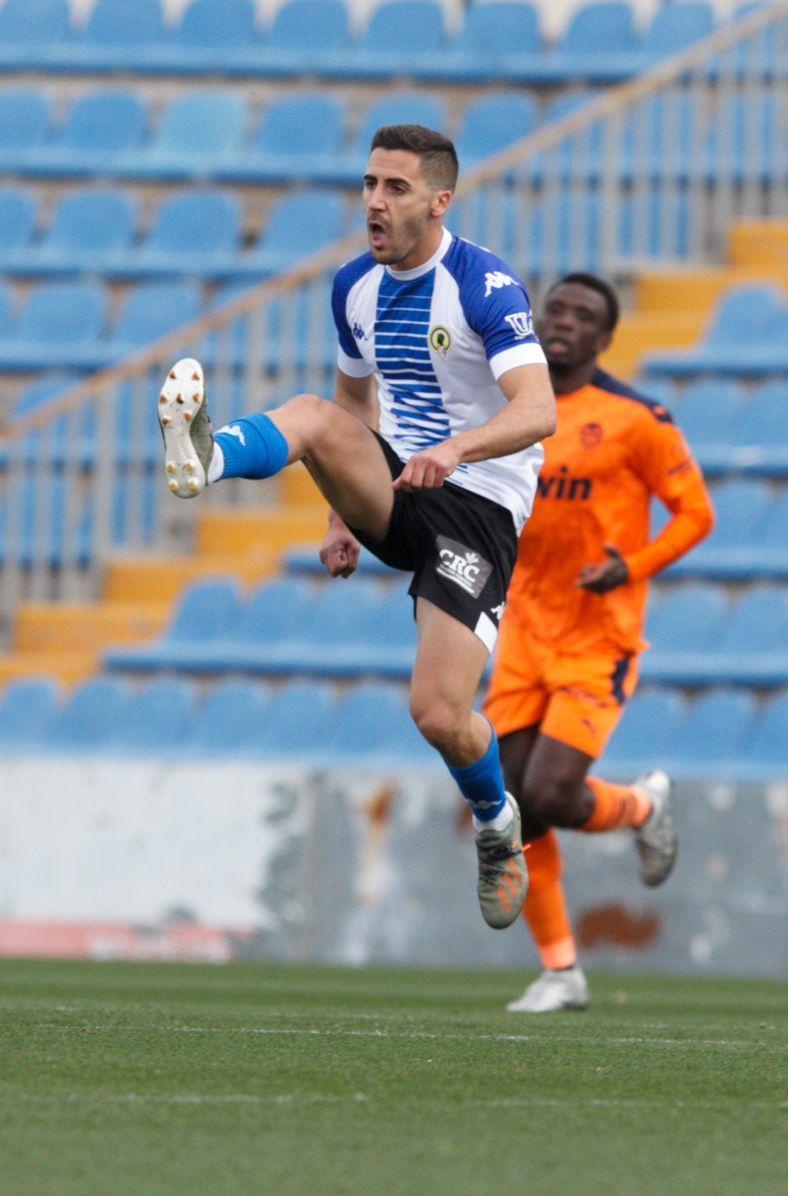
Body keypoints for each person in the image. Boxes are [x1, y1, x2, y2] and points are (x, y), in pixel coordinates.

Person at [157, 124, 557, 929]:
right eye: (370, 183)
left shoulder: (484, 285)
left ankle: (495, 822)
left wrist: (456, 447)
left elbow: (539, 410)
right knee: (309, 411)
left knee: (439, 714)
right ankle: (209, 456)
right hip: (397, 486)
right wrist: (342, 514)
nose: (375, 201)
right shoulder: (353, 286)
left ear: (440, 201)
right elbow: (349, 413)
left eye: (396, 188)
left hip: (476, 507)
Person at [486, 273, 715, 1013]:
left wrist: (631, 566)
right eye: (556, 308)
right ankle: (561, 971)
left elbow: (694, 513)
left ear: (605, 340)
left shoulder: (635, 418)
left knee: (548, 792)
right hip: (521, 625)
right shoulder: (510, 406)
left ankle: (641, 809)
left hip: (596, 635)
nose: (565, 322)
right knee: (516, 809)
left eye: (585, 316)